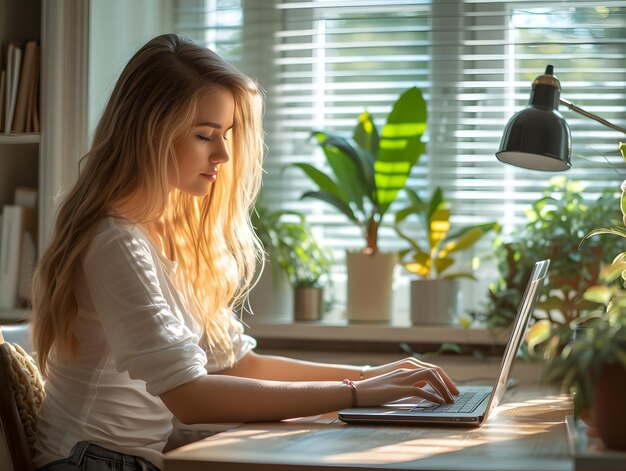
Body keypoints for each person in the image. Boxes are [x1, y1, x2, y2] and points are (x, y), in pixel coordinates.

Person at [31, 33, 459, 471]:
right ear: (150, 133)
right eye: (204, 135)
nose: (221, 154)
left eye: (227, 136)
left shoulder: (166, 233)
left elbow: (240, 365)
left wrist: (372, 378)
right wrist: (354, 393)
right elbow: (190, 397)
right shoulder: (115, 241)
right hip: (90, 461)